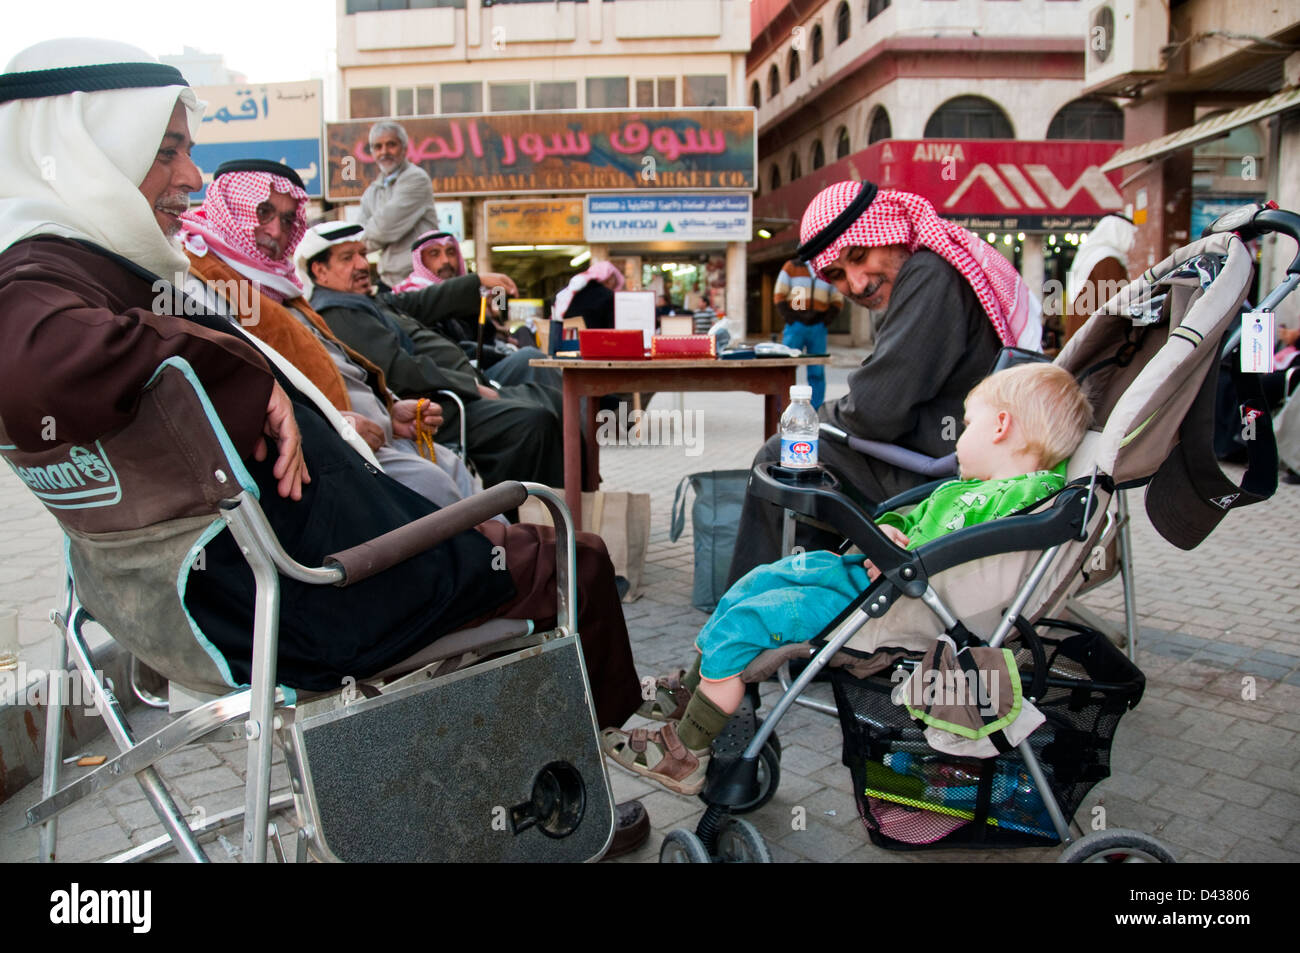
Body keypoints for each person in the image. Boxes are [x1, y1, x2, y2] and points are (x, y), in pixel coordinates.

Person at [0, 35, 643, 770]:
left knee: (516, 525)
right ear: (82, 150)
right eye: (167, 148)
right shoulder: (40, 281)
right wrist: (244, 372)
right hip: (318, 597)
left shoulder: (97, 270)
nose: (189, 173)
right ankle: (599, 773)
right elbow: (25, 365)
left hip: (262, 590)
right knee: (580, 559)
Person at [602, 362, 1092, 794]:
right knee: (758, 580)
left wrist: (911, 556)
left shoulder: (1025, 499)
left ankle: (686, 753)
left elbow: (968, 553)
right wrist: (890, 533)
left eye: (966, 427)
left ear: (1001, 427)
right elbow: (910, 520)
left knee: (749, 621)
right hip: (873, 577)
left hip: (891, 604)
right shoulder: (973, 488)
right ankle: (691, 697)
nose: (957, 439)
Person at [726, 180, 1044, 587]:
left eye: (859, 257)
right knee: (804, 454)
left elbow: (874, 413)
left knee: (784, 456)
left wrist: (819, 420)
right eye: (838, 274)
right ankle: (814, 596)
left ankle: (752, 609)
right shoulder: (926, 273)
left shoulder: (930, 274)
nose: (858, 284)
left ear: (890, 231)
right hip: (934, 455)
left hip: (945, 471)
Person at [179, 159, 479, 508]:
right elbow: (222, 393)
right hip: (327, 451)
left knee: (459, 473)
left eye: (288, 219)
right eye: (263, 212)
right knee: (436, 488)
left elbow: (334, 369)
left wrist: (390, 411)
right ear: (233, 210)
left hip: (376, 437)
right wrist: (337, 424)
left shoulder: (278, 288)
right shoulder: (200, 283)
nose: (276, 231)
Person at [297, 223, 571, 488]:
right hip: (438, 406)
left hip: (456, 386)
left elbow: (420, 302)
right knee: (532, 419)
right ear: (320, 271)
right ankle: (531, 513)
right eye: (348, 258)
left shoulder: (363, 299)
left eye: (362, 255)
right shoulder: (338, 311)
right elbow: (399, 371)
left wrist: (476, 281)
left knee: (554, 397)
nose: (361, 265)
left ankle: (578, 494)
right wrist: (469, 386)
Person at [358, 120, 439, 289]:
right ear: (372, 152)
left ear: (404, 148)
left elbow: (384, 228)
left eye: (391, 145)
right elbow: (359, 237)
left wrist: (369, 236)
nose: (384, 152)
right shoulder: (372, 192)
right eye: (378, 147)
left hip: (421, 279)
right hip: (389, 281)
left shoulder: (416, 179)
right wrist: (364, 239)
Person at [773, 256, 844, 408]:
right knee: (785, 368)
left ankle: (814, 410)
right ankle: (781, 408)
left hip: (818, 327)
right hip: (795, 326)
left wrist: (825, 321)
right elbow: (779, 294)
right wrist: (791, 319)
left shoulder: (828, 267)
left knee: (817, 370)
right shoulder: (791, 267)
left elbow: (837, 299)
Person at [553, 260, 624, 329]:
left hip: (566, 339)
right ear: (610, 279)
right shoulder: (608, 296)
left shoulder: (567, 293)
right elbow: (614, 328)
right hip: (595, 339)